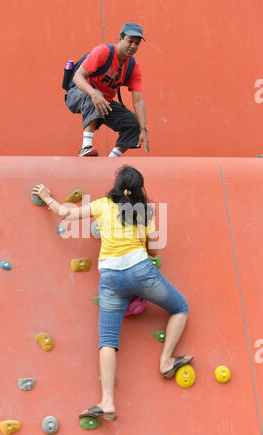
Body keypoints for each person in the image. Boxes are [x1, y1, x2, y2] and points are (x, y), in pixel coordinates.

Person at [31, 165, 192, 421]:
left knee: (107, 341)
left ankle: (107, 402)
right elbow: (154, 250)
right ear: (139, 188)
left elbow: (65, 213)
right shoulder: (145, 211)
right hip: (141, 271)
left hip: (110, 279)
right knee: (180, 308)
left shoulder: (103, 205)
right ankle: (166, 361)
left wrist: (47, 196)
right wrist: (148, 254)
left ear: (117, 185)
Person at [65, 22, 150, 157]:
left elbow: (138, 101)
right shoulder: (104, 52)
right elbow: (77, 77)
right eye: (130, 41)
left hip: (103, 102)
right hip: (78, 94)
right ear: (120, 38)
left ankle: (111, 161)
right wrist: (93, 93)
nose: (133, 46)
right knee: (96, 94)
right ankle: (85, 146)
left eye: (137, 43)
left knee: (133, 123)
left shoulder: (133, 66)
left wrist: (143, 129)